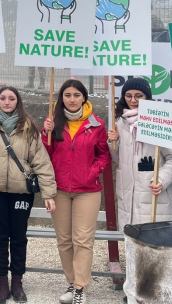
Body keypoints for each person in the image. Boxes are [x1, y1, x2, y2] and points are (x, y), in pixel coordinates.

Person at [0, 87, 56, 303]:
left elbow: (40, 161)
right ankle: (1, 283)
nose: (7, 102)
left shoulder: (29, 127)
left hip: (21, 192)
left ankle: (17, 282)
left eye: (11, 98)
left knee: (18, 237)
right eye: (3, 98)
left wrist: (48, 193)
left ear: (18, 102)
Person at [43, 79, 111, 304]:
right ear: (61, 98)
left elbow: (104, 155)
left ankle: (81, 287)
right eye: (67, 95)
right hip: (60, 189)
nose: (71, 99)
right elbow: (45, 154)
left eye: (76, 95)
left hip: (87, 190)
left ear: (84, 97)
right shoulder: (54, 122)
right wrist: (46, 134)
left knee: (82, 239)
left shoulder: (97, 124)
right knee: (64, 239)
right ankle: (71, 283)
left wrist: (93, 172)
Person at [107, 77, 172, 228]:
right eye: (128, 95)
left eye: (138, 95)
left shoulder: (159, 121)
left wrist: (161, 179)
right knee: (132, 247)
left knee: (155, 248)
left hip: (154, 199)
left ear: (147, 97)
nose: (133, 100)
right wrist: (113, 143)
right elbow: (120, 160)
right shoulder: (119, 124)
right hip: (128, 201)